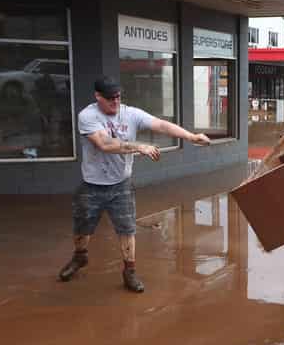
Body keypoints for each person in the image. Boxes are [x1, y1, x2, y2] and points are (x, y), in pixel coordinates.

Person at [58, 76, 211, 292]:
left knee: (127, 230)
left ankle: (129, 271)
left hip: (121, 185)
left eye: (118, 97)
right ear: (97, 97)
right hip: (92, 185)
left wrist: (191, 136)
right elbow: (103, 143)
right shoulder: (87, 115)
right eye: (110, 98)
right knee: (82, 229)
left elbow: (161, 124)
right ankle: (80, 256)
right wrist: (139, 146)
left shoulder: (130, 114)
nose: (115, 102)